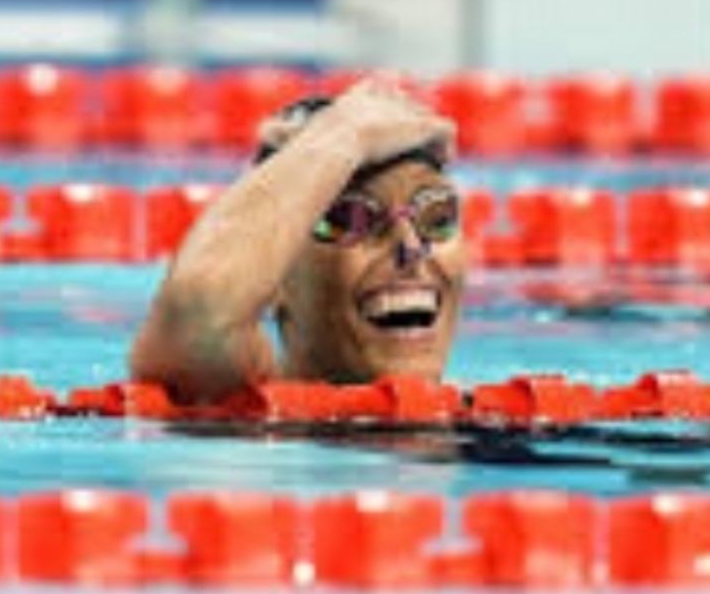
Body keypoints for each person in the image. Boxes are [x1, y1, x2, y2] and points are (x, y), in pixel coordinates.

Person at [130, 75, 467, 404]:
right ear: (273, 279)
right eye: (350, 219)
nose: (410, 248)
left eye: (437, 217)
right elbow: (198, 309)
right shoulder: (252, 420)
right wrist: (345, 134)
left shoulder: (499, 420)